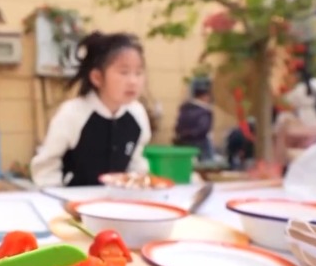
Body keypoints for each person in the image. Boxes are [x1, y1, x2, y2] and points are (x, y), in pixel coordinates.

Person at [30, 32, 151, 187]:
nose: (133, 81)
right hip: (71, 198)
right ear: (97, 78)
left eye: (138, 73)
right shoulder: (72, 113)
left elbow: (135, 161)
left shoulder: (137, 113)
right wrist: (57, 194)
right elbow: (47, 164)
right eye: (124, 72)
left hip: (118, 198)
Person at [173, 77, 215, 162]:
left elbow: (177, 128)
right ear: (205, 96)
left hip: (183, 146)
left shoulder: (185, 109)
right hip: (201, 147)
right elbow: (203, 129)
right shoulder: (204, 111)